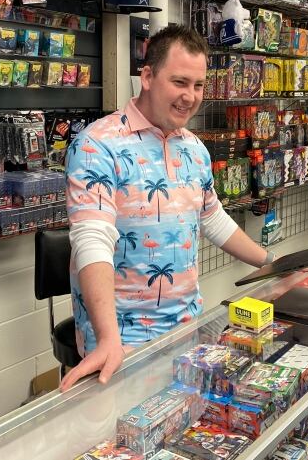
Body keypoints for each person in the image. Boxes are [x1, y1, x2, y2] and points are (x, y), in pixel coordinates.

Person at [60, 25, 275, 391]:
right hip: (121, 343)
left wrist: (271, 264)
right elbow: (91, 239)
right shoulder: (97, 144)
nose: (190, 97)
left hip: (189, 330)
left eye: (198, 85)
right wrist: (109, 339)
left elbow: (212, 218)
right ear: (147, 76)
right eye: (179, 82)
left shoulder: (194, 148)